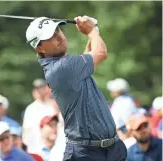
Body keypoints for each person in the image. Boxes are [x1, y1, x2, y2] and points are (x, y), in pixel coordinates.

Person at [26, 16, 127, 161]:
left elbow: (88, 55)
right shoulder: (61, 68)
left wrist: (94, 31)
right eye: (51, 36)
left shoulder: (67, 66)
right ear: (39, 47)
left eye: (57, 31)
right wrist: (91, 30)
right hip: (87, 153)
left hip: (110, 149)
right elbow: (101, 53)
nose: (59, 37)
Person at [22, 79, 55, 153]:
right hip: (36, 150)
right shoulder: (30, 109)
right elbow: (26, 132)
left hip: (53, 149)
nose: (39, 91)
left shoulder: (54, 106)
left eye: (41, 88)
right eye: (36, 89)